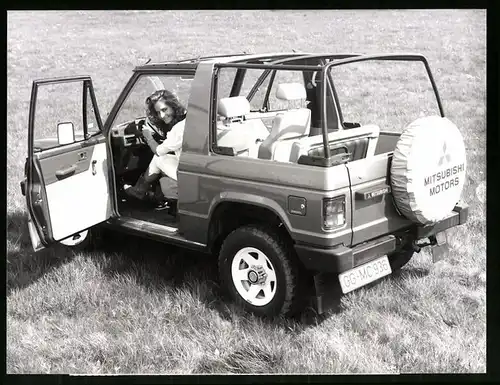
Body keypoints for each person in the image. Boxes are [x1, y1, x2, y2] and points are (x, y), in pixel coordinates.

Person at [124, 89, 187, 210]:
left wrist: (148, 136)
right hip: (193, 166)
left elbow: (158, 150)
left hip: (186, 173)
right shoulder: (187, 119)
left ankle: (140, 190)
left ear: (173, 106)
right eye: (158, 112)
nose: (162, 116)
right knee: (163, 159)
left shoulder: (178, 129)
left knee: (158, 158)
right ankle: (153, 194)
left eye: (164, 110)